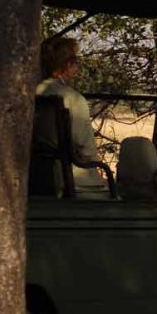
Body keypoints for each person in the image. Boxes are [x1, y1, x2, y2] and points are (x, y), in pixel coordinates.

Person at [36, 37, 108, 196]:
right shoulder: (73, 98)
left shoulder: (29, 93)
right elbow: (87, 150)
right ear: (68, 64)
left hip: (33, 174)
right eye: (76, 62)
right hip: (66, 177)